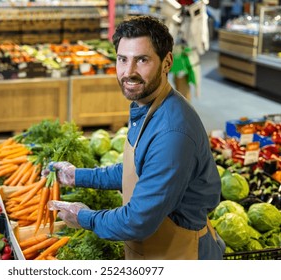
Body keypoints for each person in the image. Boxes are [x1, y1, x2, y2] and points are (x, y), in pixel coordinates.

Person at [46, 15, 225, 260]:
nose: (129, 72)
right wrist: (76, 176)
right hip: (154, 250)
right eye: (122, 59)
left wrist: (83, 217)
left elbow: (137, 221)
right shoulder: (147, 105)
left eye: (142, 60)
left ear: (167, 62)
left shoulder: (172, 132)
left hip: (182, 256)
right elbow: (136, 171)